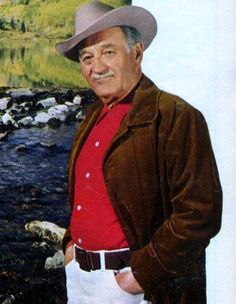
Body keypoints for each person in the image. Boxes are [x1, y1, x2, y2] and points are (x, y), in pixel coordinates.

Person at [56, 1, 222, 303]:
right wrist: (70, 247)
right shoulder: (91, 117)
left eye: (108, 51)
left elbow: (200, 215)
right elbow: (86, 198)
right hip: (79, 278)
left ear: (136, 52)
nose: (97, 67)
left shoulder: (175, 116)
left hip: (133, 287)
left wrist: (141, 275)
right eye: (87, 57)